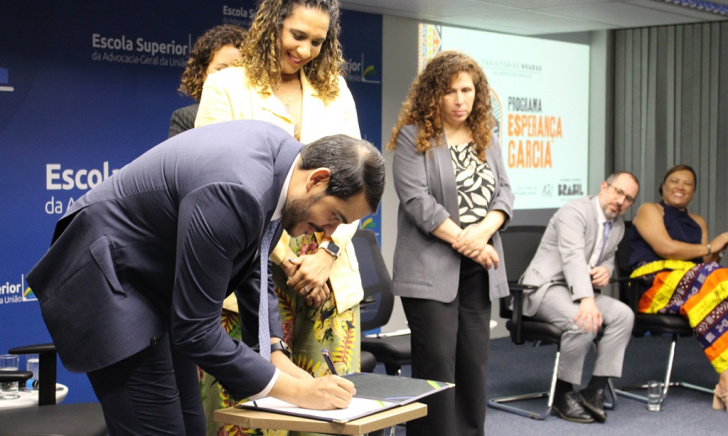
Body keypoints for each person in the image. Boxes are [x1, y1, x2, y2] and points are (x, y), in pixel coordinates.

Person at [25, 120, 386, 435]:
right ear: (318, 179)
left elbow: (251, 259)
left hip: (151, 283)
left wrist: (274, 350)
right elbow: (196, 330)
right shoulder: (238, 189)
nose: (328, 232)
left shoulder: (284, 171)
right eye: (335, 216)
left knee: (191, 426)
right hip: (107, 278)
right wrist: (297, 392)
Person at [195, 2, 365, 430]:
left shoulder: (336, 92)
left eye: (317, 41)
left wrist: (326, 254)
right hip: (250, 271)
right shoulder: (227, 86)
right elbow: (214, 187)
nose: (305, 50)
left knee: (331, 410)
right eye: (297, 35)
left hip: (326, 278)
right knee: (251, 416)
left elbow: (356, 185)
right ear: (273, 24)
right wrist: (285, 258)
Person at [388, 50, 514, 436]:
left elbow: (505, 194)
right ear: (433, 94)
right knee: (437, 367)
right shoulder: (413, 137)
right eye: (450, 91)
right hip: (429, 270)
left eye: (467, 90)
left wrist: (483, 232)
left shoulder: (486, 137)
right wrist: (471, 241)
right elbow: (418, 202)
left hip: (479, 269)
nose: (460, 100)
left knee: (473, 365)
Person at [521, 172, 640, 423]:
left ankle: (594, 390)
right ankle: (562, 394)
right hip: (545, 288)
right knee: (584, 320)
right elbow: (572, 256)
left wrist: (606, 269)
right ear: (604, 186)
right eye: (618, 192)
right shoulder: (574, 211)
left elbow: (607, 257)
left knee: (624, 315)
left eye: (628, 198)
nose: (621, 201)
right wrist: (587, 300)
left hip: (575, 290)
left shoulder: (618, 226)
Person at [628, 164, 728, 412]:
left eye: (687, 183)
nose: (680, 187)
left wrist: (717, 252)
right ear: (663, 186)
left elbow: (704, 262)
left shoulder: (698, 221)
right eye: (674, 181)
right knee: (714, 280)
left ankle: (725, 380)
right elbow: (666, 248)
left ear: (694, 191)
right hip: (653, 285)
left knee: (717, 291)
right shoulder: (649, 210)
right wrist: (710, 247)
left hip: (692, 284)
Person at [167, 24, 245, 138]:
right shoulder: (185, 118)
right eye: (221, 69)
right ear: (203, 74)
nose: (229, 75)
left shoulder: (259, 114)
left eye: (238, 68)